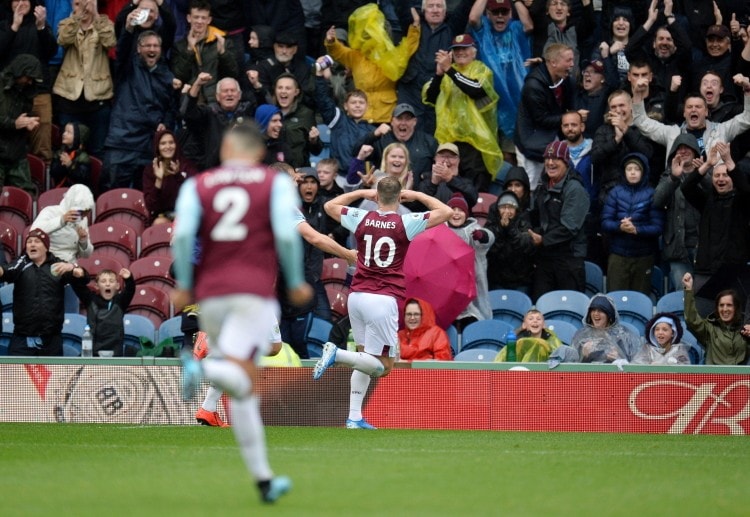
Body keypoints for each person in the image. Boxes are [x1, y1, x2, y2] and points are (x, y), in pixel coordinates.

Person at [173, 123, 312, 503]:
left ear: (227, 149)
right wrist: (297, 280)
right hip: (252, 290)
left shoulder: (199, 185)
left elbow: (182, 237)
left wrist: (185, 281)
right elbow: (286, 237)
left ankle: (264, 481)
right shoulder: (273, 187)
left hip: (211, 293)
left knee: (244, 386)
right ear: (256, 154)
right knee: (247, 371)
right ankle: (202, 369)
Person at [314, 176, 453, 429]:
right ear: (400, 198)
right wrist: (418, 196)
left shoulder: (361, 217)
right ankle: (337, 353)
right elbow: (446, 211)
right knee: (384, 366)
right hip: (383, 298)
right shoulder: (405, 222)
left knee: (365, 358)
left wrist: (363, 192)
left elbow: (330, 206)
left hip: (356, 296)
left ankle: (354, 417)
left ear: (376, 196)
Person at [423, 33, 503, 192]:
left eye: (465, 48)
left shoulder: (482, 70)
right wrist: (439, 75)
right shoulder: (447, 73)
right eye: (457, 49)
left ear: (474, 51)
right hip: (450, 141)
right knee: (448, 183)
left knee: (476, 183)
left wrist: (449, 71)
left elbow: (476, 89)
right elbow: (430, 98)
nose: (460, 52)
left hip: (476, 142)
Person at [101, 30, 178, 191]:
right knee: (112, 192)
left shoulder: (167, 74)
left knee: (144, 197)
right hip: (122, 142)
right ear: (138, 49)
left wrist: (165, 123)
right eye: (147, 45)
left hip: (148, 145)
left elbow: (171, 107)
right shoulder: (127, 67)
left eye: (156, 46)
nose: (152, 49)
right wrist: (128, 29)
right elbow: (122, 49)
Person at [0, 228, 90, 356]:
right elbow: (5, 271)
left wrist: (74, 268)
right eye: (29, 241)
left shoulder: (57, 265)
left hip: (51, 340)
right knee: (17, 376)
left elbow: (84, 279)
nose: (32, 244)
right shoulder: (21, 263)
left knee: (54, 377)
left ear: (46, 247)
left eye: (37, 241)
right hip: (22, 339)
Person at [469, 0, 534, 162]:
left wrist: (515, 1)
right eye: (495, 12)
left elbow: (529, 25)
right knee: (488, 150)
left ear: (510, 14)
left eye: (504, 12)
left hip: (514, 103)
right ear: (488, 14)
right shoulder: (483, 30)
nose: (500, 16)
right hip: (487, 101)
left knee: (509, 154)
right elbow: (473, 18)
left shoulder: (516, 29)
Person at [53, 0, 116, 158]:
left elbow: (110, 42)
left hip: (97, 99)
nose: (83, 6)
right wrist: (76, 16)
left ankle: (96, 183)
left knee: (98, 150)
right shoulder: (66, 23)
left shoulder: (104, 23)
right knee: (67, 150)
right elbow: (63, 39)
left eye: (88, 2)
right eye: (78, 3)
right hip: (69, 98)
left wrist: (95, 15)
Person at [528, 140, 589, 301]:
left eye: (555, 159)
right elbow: (535, 215)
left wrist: (542, 239)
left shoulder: (575, 189)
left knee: (569, 307)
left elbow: (570, 228)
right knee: (541, 306)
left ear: (566, 162)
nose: (550, 163)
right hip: (545, 258)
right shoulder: (542, 185)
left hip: (569, 260)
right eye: (547, 159)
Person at [0, 0, 57, 164]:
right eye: (16, 0)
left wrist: (41, 27)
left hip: (39, 93)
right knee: (7, 145)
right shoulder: (4, 25)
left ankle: (42, 187)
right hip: (8, 96)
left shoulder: (40, 24)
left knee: (42, 149)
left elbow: (52, 51)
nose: (21, 3)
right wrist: (14, 27)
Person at [514, 43, 577, 192]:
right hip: (530, 143)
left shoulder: (563, 77)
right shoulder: (533, 85)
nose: (572, 65)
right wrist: (571, 118)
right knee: (530, 187)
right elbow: (541, 119)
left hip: (550, 139)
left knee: (554, 183)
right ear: (554, 63)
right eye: (568, 60)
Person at [600, 152, 664, 295]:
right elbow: (605, 221)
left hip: (644, 255)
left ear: (643, 171)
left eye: (637, 169)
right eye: (629, 169)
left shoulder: (652, 193)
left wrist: (637, 230)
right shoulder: (615, 193)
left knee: (640, 298)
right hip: (618, 254)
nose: (633, 173)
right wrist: (620, 226)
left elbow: (658, 227)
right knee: (615, 298)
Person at [652, 133, 704, 291]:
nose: (683, 151)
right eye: (679, 149)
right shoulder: (668, 176)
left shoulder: (706, 173)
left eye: (687, 148)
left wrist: (703, 173)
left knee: (702, 295)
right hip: (676, 246)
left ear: (696, 151)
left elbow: (712, 199)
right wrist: (674, 178)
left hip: (701, 246)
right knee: (682, 294)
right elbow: (657, 201)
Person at [181, 74, 256, 170]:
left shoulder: (247, 112)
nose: (229, 94)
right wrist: (197, 84)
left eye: (233, 90)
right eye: (225, 91)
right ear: (217, 96)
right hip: (213, 171)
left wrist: (257, 86)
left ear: (239, 95)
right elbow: (188, 113)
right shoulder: (208, 113)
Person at [446, 192, 494, 331]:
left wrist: (482, 236)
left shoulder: (473, 229)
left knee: (474, 327)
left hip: (473, 288)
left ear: (466, 214)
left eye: (460, 210)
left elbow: (489, 239)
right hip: (449, 291)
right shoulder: (441, 229)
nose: (456, 213)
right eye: (452, 210)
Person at [682, 273, 750, 365]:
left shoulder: (745, 330)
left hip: (740, 378)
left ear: (736, 308)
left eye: (729, 305)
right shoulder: (709, 329)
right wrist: (689, 290)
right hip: (714, 377)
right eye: (721, 305)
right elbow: (691, 320)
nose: (725, 309)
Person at [0, 53, 41, 194]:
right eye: (28, 77)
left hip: (16, 150)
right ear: (20, 72)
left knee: (26, 194)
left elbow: (23, 114)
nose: (30, 82)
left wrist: (28, 122)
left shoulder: (27, 91)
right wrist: (13, 124)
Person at [363, 103, 439, 179]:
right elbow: (356, 152)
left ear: (415, 121)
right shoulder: (381, 139)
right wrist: (373, 134)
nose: (403, 123)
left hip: (420, 189)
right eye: (399, 118)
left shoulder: (429, 141)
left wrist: (425, 176)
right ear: (392, 121)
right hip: (386, 188)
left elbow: (440, 167)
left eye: (407, 119)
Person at [72, 268, 136, 357]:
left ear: (117, 286)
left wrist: (129, 279)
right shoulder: (90, 300)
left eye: (111, 281)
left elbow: (130, 290)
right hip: (93, 354)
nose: (107, 284)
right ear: (97, 286)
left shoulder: (120, 302)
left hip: (115, 354)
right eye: (103, 281)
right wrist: (77, 277)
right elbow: (78, 287)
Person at [142, 128, 198, 226]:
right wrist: (159, 180)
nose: (168, 146)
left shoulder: (187, 165)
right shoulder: (150, 170)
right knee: (159, 223)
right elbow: (151, 205)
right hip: (161, 217)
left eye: (171, 142)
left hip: (185, 214)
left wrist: (177, 176)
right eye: (163, 143)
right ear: (157, 147)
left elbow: (194, 195)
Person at [485, 190, 536, 293]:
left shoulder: (524, 224)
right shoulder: (491, 225)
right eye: (503, 207)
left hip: (521, 281)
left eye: (511, 207)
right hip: (497, 281)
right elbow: (490, 249)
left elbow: (526, 246)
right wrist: (500, 229)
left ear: (516, 210)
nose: (507, 211)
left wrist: (510, 229)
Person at [30, 184, 94, 263]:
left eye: (86, 213)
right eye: (82, 212)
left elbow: (86, 255)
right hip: (49, 262)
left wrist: (83, 241)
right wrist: (62, 220)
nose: (83, 216)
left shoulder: (83, 220)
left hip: (70, 265)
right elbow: (33, 232)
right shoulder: (51, 211)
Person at [570, 293, 641, 363]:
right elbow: (570, 366)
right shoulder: (581, 336)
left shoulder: (623, 335)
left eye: (600, 310)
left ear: (609, 315)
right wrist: (583, 356)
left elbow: (636, 364)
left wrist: (619, 359)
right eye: (593, 310)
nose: (596, 314)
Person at [271, 73, 322, 168]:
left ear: (296, 92)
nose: (283, 91)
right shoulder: (269, 112)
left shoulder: (306, 114)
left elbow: (316, 150)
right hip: (274, 172)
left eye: (288, 88)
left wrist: (313, 141)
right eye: (280, 88)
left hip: (299, 171)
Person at [416, 143, 479, 208]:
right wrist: (433, 184)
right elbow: (417, 206)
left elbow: (473, 199)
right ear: (435, 158)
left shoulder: (466, 182)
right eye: (442, 156)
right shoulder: (426, 180)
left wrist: (450, 179)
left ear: (458, 160)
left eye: (451, 157)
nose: (446, 161)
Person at [494, 309, 562, 362]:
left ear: (544, 325)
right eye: (530, 319)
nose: (535, 321)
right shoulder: (518, 341)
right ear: (524, 325)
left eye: (538, 319)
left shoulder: (551, 339)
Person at [49, 122, 91, 189]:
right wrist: (61, 164)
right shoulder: (60, 152)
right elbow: (53, 173)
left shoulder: (83, 157)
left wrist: (70, 165)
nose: (64, 134)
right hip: (60, 189)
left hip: (78, 192)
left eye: (69, 132)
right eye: (65, 131)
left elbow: (83, 179)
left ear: (77, 137)